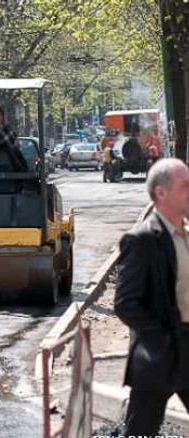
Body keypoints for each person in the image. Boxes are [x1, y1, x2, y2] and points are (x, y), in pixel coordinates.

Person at [114, 158, 189, 436]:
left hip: (187, 348)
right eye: (185, 186)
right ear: (161, 193)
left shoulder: (186, 235)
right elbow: (125, 303)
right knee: (140, 432)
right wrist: (164, 337)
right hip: (159, 356)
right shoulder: (142, 240)